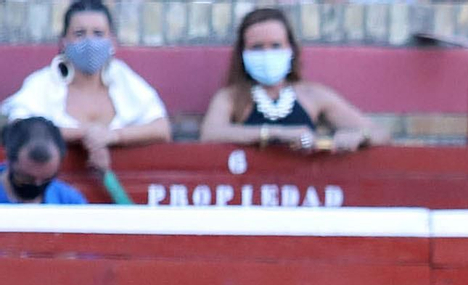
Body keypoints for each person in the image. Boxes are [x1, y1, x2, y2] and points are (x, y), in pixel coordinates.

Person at [1, 0, 170, 173]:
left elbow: (161, 128)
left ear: (111, 41)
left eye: (98, 33)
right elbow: (18, 126)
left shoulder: (123, 79)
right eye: (80, 33)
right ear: (64, 41)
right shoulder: (45, 82)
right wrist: (85, 135)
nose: (90, 42)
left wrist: (113, 136)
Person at [199, 7, 385, 153]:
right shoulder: (231, 97)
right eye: (257, 47)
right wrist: (277, 134)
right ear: (242, 53)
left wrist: (361, 137)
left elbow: (381, 134)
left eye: (276, 46)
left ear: (291, 49)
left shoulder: (313, 95)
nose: (267, 54)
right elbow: (210, 134)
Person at [0, 118, 87, 205]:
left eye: (47, 179)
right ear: (9, 159)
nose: (37, 184)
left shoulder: (69, 202)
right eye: (27, 178)